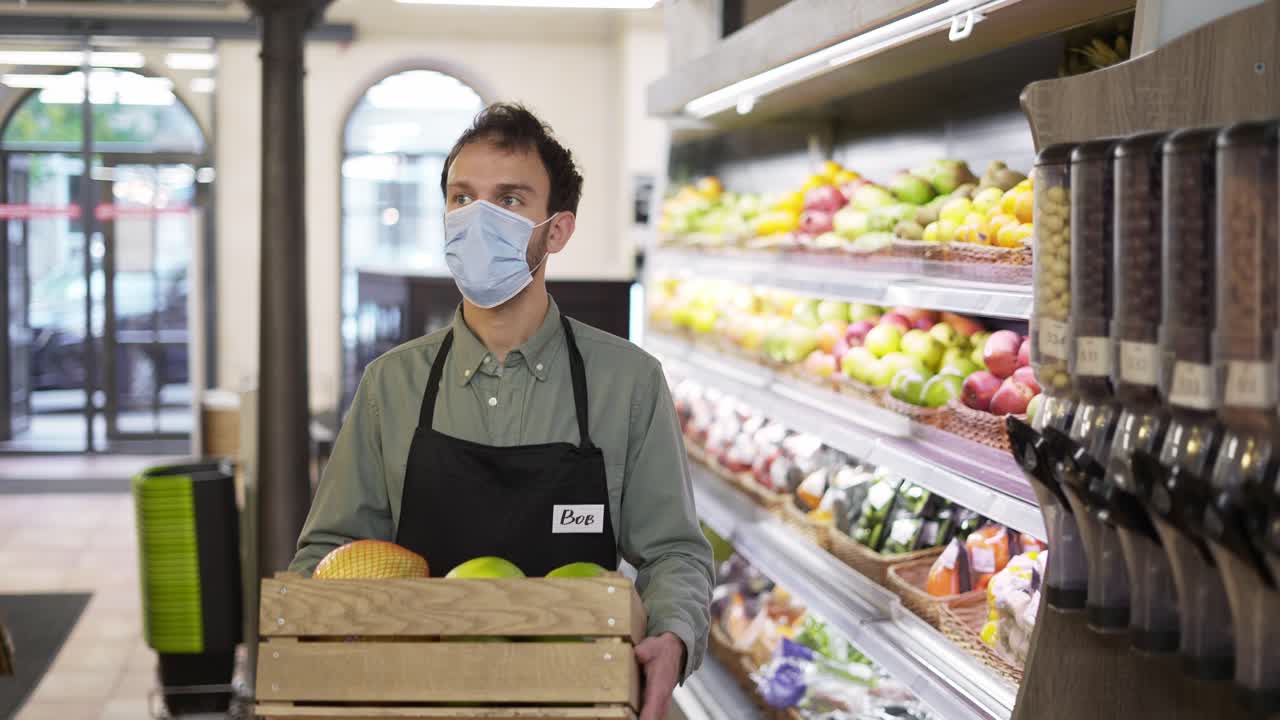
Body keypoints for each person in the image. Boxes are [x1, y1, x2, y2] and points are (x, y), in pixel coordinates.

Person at [291, 103, 714, 719]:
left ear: (557, 231)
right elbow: (330, 551)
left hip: (576, 697)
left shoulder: (628, 383)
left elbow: (674, 552)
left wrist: (673, 635)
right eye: (462, 199)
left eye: (509, 201)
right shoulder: (392, 384)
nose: (477, 220)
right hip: (416, 699)